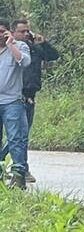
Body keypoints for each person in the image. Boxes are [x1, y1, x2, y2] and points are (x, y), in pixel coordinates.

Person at [0, 22, 32, 189]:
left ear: (9, 32)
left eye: (2, 31)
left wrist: (10, 45)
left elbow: (24, 62)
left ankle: (18, 174)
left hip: (12, 101)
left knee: (15, 138)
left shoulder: (20, 46)